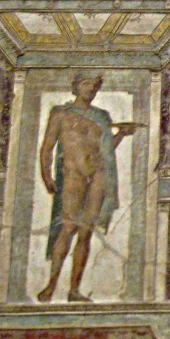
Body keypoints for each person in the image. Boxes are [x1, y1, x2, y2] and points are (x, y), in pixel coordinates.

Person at [37, 71, 136, 303]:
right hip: (73, 175)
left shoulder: (101, 116)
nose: (90, 88)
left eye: (94, 85)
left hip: (99, 174)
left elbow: (106, 149)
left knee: (86, 231)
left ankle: (74, 290)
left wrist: (121, 133)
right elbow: (47, 147)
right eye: (85, 83)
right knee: (68, 227)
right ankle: (51, 285)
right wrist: (46, 174)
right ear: (76, 86)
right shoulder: (61, 113)